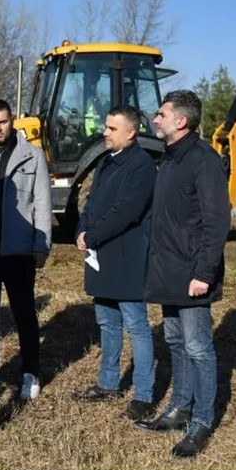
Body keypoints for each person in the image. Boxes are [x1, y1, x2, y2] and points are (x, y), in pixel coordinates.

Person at [135, 90, 231, 459]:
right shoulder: (170, 158)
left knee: (198, 348)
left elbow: (216, 221)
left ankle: (201, 422)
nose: (155, 119)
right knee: (175, 342)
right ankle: (179, 408)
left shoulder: (203, 161)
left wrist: (204, 272)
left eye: (161, 114)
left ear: (181, 121)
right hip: (168, 270)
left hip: (192, 273)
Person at [71, 105, 157, 424]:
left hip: (127, 258)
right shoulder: (106, 162)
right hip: (102, 257)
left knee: (136, 325)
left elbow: (126, 211)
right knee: (107, 322)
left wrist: (92, 235)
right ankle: (108, 383)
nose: (104, 133)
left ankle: (144, 395)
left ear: (131, 132)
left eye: (111, 128)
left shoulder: (142, 166)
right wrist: (81, 228)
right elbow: (90, 202)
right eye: (106, 127)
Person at [0, 99, 51, 403]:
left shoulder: (33, 156)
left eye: (3, 122)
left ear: (11, 121)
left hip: (18, 249)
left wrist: (41, 245)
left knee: (24, 312)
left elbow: (41, 201)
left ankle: (31, 371)